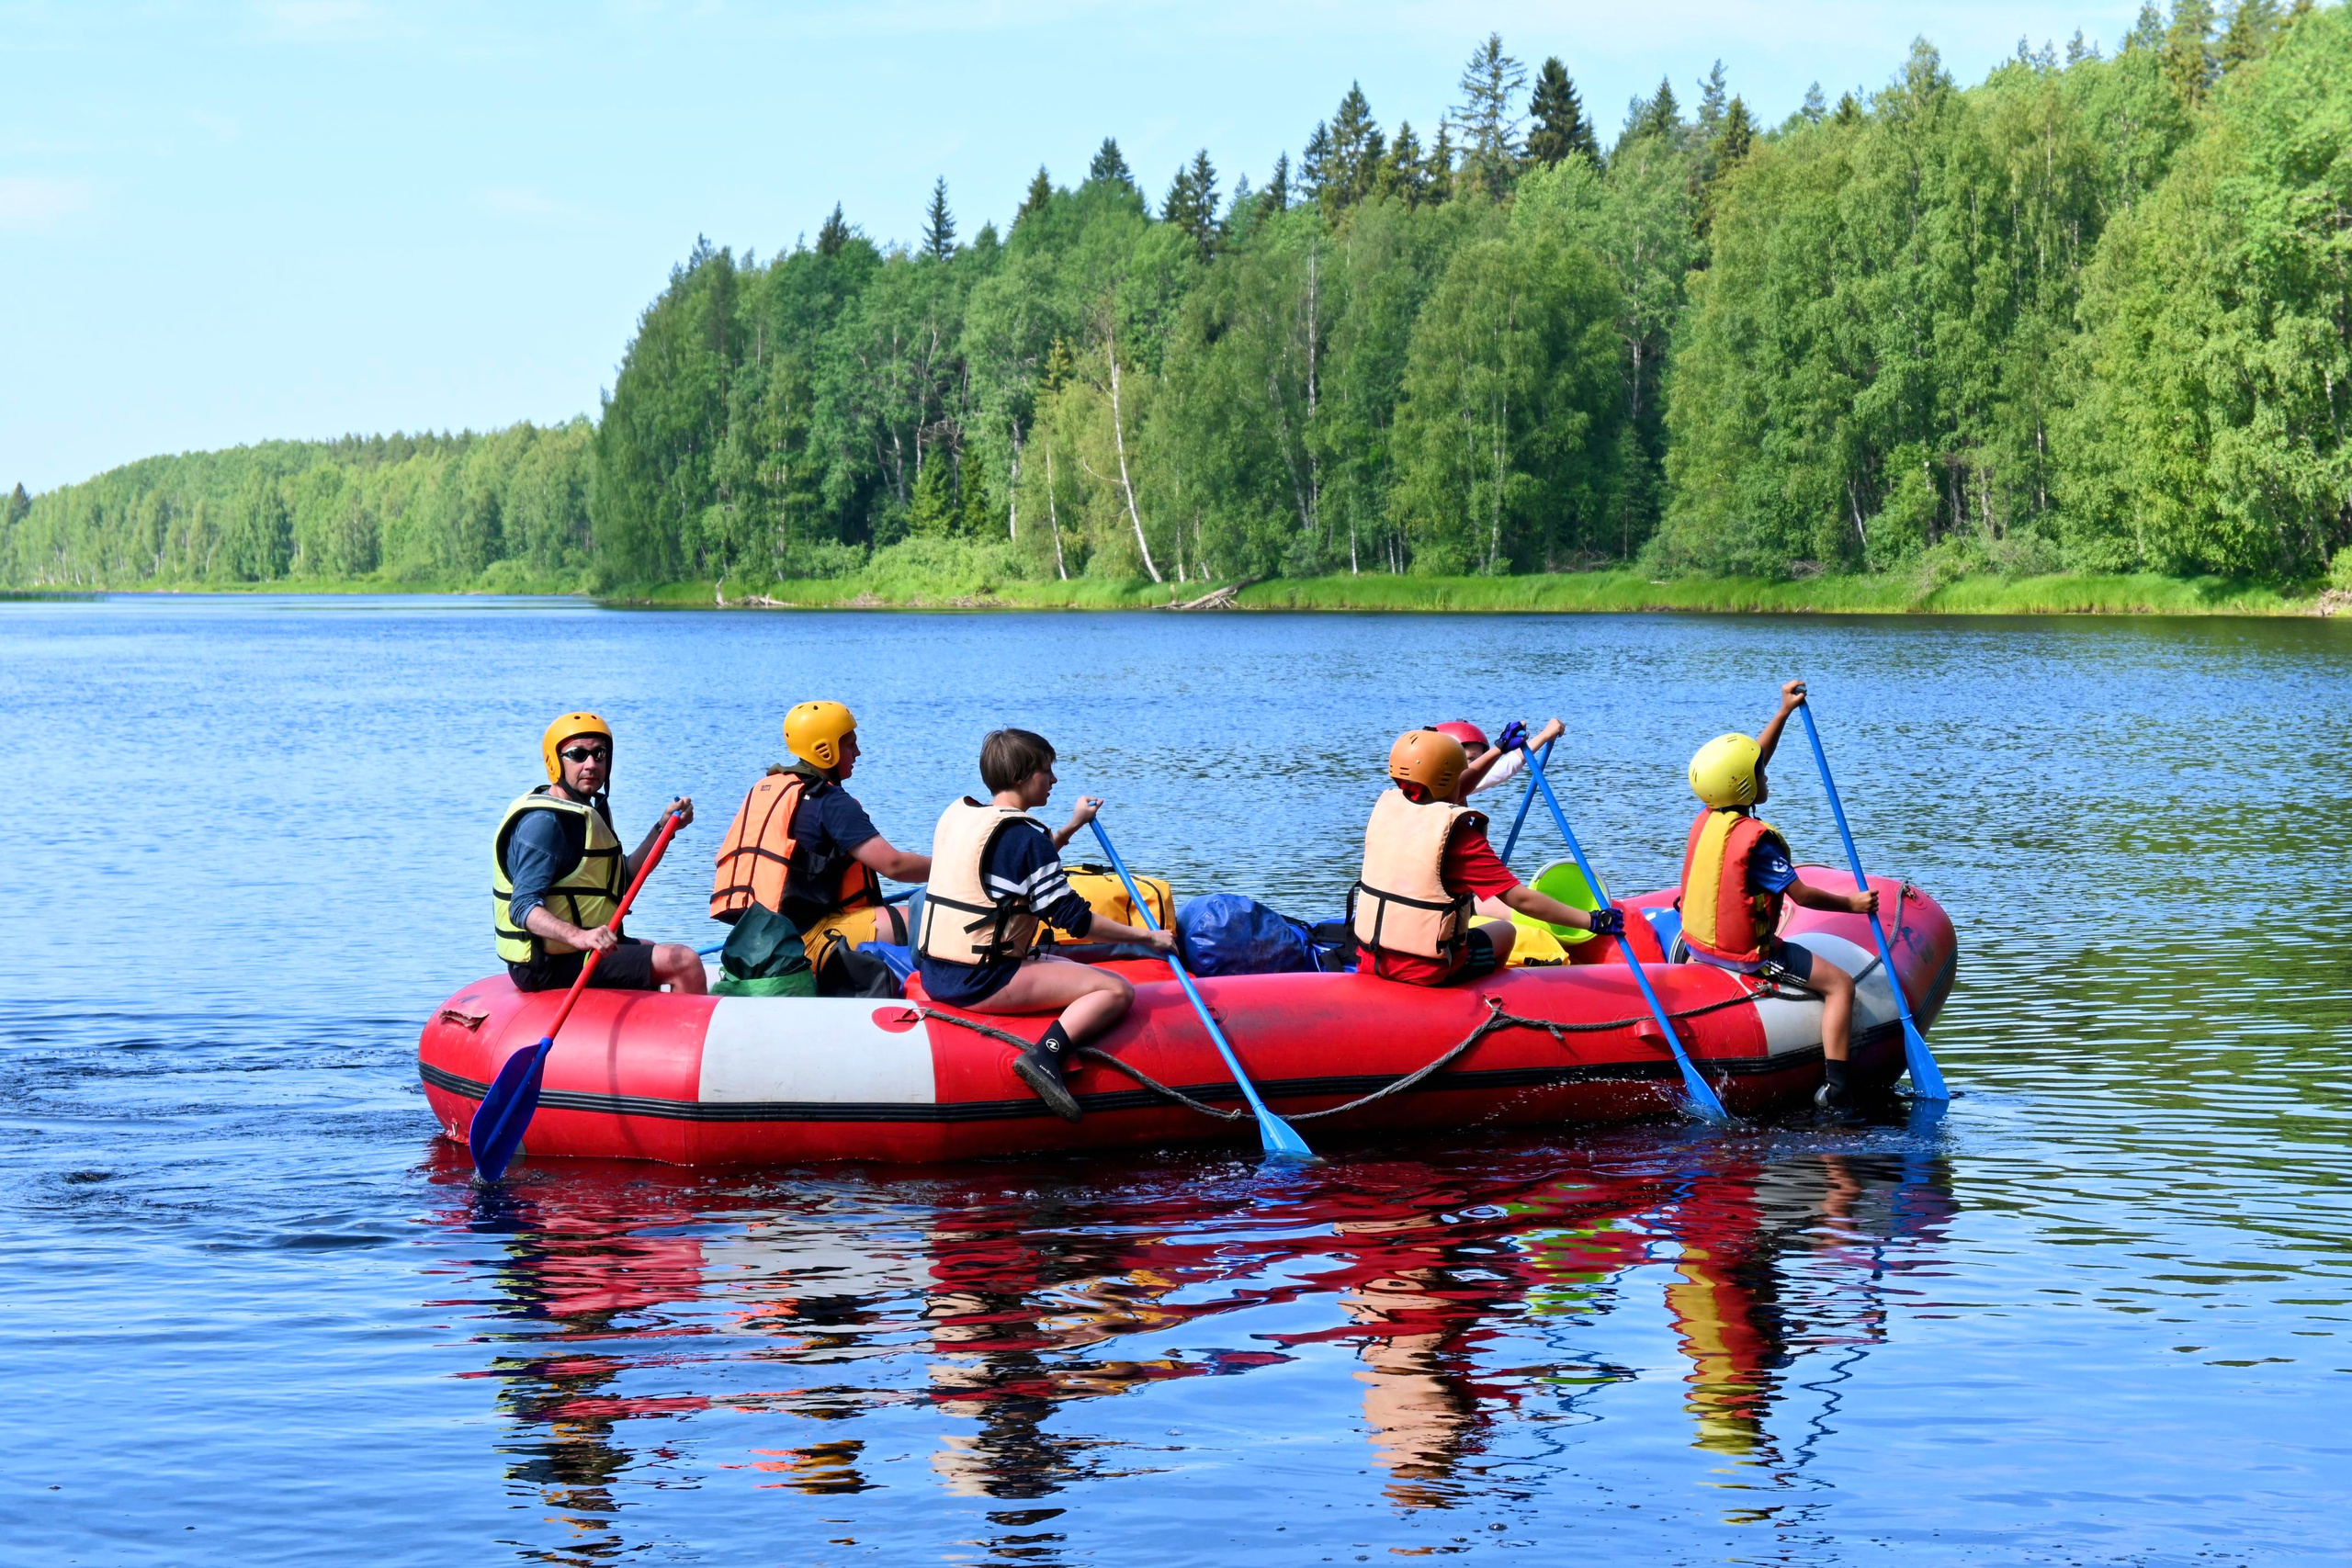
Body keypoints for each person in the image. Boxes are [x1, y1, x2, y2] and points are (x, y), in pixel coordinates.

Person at [913, 728, 1176, 1122]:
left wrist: (1072, 826)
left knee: (1068, 968)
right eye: (1046, 771)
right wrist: (1149, 937)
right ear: (1022, 776)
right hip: (981, 979)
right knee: (1115, 989)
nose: (1054, 779)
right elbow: (1077, 921)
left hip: (935, 971)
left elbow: (1015, 868)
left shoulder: (964, 818)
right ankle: (1045, 1057)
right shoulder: (1024, 837)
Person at [1679, 679, 1880, 1110]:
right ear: (1744, 787)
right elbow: (1802, 896)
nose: (1766, 775)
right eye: (1760, 774)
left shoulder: (1710, 815)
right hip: (1748, 956)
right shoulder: (1758, 842)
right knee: (1840, 986)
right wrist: (1853, 904)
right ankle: (1838, 1087)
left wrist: (1783, 712)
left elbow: (1749, 762)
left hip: (1699, 949)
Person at [1351, 728, 1620, 987]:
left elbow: (1451, 789)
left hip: (1372, 956)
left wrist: (1498, 749)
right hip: (1428, 969)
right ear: (1449, 779)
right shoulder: (1461, 841)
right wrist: (1593, 920)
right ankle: (1485, 1003)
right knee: (1505, 931)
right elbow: (1521, 899)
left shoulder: (1389, 808)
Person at [492, 711, 706, 995]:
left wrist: (663, 830)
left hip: (579, 952)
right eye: (578, 755)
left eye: (599, 754)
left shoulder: (587, 812)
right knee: (684, 962)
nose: (591, 764)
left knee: (653, 949)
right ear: (554, 762)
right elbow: (522, 907)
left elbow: (623, 877)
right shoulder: (544, 825)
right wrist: (580, 937)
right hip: (547, 965)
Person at [709, 700, 933, 949]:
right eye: (850, 745)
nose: (858, 752)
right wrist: (951, 869)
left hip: (755, 942)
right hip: (804, 942)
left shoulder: (767, 788)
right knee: (931, 917)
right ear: (825, 751)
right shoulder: (829, 801)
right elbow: (895, 866)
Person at [1441, 717, 1568, 798]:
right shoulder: (1436, 792)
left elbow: (1506, 766)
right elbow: (1505, 768)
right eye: (1471, 759)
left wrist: (1545, 736)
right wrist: (1544, 735)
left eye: (1480, 758)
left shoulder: (1453, 790)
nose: (1479, 766)